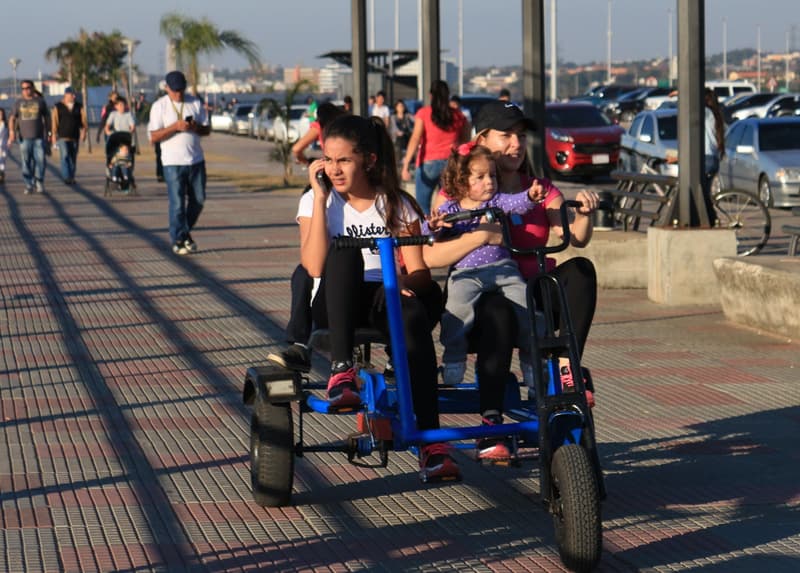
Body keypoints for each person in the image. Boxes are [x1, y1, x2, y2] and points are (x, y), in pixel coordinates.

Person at [296, 113, 459, 481]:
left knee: (414, 316)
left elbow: (419, 271)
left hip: (384, 294)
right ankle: (342, 372)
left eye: (344, 161)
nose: (334, 170)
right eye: (329, 160)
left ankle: (431, 442)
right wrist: (321, 199)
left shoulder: (396, 204)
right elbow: (313, 265)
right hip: (336, 298)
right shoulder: (315, 201)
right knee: (345, 252)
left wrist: (405, 281)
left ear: (368, 160)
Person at [426, 101, 599, 413]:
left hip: (529, 288)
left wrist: (585, 214)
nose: (516, 144)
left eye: (520, 135)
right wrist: (480, 235)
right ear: (481, 141)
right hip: (483, 288)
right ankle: (492, 422)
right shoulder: (457, 192)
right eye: (506, 135)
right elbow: (431, 254)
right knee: (500, 311)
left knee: (581, 271)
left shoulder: (537, 189)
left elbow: (573, 236)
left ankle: (564, 368)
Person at [147, 71, 210, 255]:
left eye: (181, 90)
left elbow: (207, 130)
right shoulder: (160, 106)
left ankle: (183, 233)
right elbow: (154, 136)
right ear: (166, 88)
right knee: (177, 203)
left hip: (196, 160)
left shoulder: (195, 103)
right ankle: (177, 239)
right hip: (172, 162)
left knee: (199, 200)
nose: (178, 94)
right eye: (174, 91)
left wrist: (195, 127)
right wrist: (175, 127)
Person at [401, 80, 468, 213]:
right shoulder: (458, 115)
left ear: (431, 96)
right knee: (450, 206)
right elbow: (465, 140)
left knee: (422, 207)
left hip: (428, 164)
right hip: (451, 164)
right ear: (447, 95)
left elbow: (415, 139)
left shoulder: (424, 113)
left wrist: (406, 165)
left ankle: (426, 232)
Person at [9, 80, 50, 194]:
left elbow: (47, 117)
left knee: (41, 160)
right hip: (24, 138)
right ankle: (28, 184)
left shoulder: (40, 101)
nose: (25, 90)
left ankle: (39, 182)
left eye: (28, 88)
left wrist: (49, 133)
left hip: (39, 137)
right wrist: (12, 132)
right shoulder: (18, 103)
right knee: (26, 162)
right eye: (23, 88)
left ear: (33, 88)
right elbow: (12, 118)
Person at [51, 87, 88, 185]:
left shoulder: (79, 106)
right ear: (66, 95)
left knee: (73, 158)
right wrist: (53, 135)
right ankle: (66, 177)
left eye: (74, 94)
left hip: (75, 136)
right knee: (65, 156)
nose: (74, 96)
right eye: (72, 94)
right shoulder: (58, 107)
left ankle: (71, 176)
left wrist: (84, 132)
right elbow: (54, 121)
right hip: (63, 136)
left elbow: (84, 121)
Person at [291, 102, 346, 167]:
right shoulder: (344, 123)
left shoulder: (319, 127)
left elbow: (296, 149)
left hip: (331, 168)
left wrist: (308, 161)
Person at [703, 88, 725, 226]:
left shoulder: (707, 113)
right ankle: (711, 220)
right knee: (704, 193)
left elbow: (693, 105)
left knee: (701, 194)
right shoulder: (717, 115)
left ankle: (712, 220)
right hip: (713, 158)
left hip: (705, 158)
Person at [0, 108, 8, 185]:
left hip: (3, 145)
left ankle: (1, 175)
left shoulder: (5, 124)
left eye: (1, 114)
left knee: (2, 161)